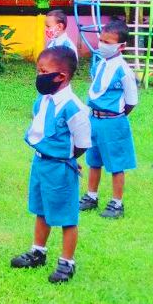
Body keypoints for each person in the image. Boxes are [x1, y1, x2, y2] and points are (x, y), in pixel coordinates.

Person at [11, 46, 91, 283]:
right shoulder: (44, 100)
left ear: (61, 77)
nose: (39, 76)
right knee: (41, 209)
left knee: (66, 216)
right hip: (40, 163)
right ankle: (38, 251)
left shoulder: (74, 108)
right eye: (38, 70)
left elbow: (82, 143)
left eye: (43, 71)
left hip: (59, 168)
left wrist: (67, 159)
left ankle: (67, 263)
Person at [80, 20, 138, 219]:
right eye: (101, 40)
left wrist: (115, 116)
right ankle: (91, 195)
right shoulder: (100, 64)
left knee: (116, 163)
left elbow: (131, 101)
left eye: (108, 42)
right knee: (94, 160)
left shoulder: (124, 71)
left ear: (121, 46)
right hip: (94, 119)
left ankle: (116, 203)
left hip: (113, 122)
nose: (102, 45)